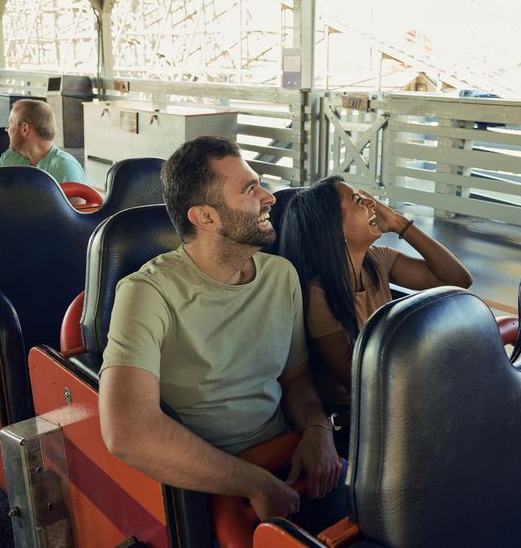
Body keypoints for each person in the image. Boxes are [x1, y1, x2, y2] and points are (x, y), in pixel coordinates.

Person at [99, 136, 343, 527]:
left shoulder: (282, 276)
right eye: (250, 190)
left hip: (284, 457)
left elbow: (295, 377)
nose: (269, 197)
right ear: (206, 218)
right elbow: (127, 431)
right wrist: (256, 485)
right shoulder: (146, 293)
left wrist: (317, 428)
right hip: (205, 486)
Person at [278, 176, 472, 425]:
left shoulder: (378, 260)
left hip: (393, 394)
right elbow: (359, 380)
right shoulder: (320, 295)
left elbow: (458, 278)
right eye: (358, 200)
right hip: (357, 416)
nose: (372, 204)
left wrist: (401, 223)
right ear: (334, 227)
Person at [0, 99, 85, 183]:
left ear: (25, 129)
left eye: (11, 123)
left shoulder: (65, 166)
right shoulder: (9, 157)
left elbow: (75, 200)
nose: (7, 129)